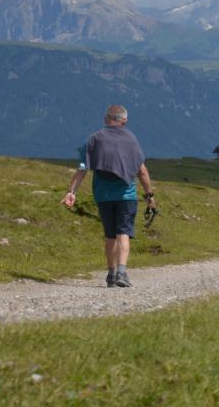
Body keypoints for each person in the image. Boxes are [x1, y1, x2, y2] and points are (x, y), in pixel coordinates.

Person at [61, 105, 156, 288]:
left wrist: (71, 192)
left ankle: (111, 274)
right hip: (126, 195)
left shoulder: (93, 139)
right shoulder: (131, 139)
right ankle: (122, 271)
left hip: (103, 196)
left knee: (110, 235)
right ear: (125, 120)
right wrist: (149, 195)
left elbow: (82, 168)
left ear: (106, 119)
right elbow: (142, 171)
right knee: (124, 233)